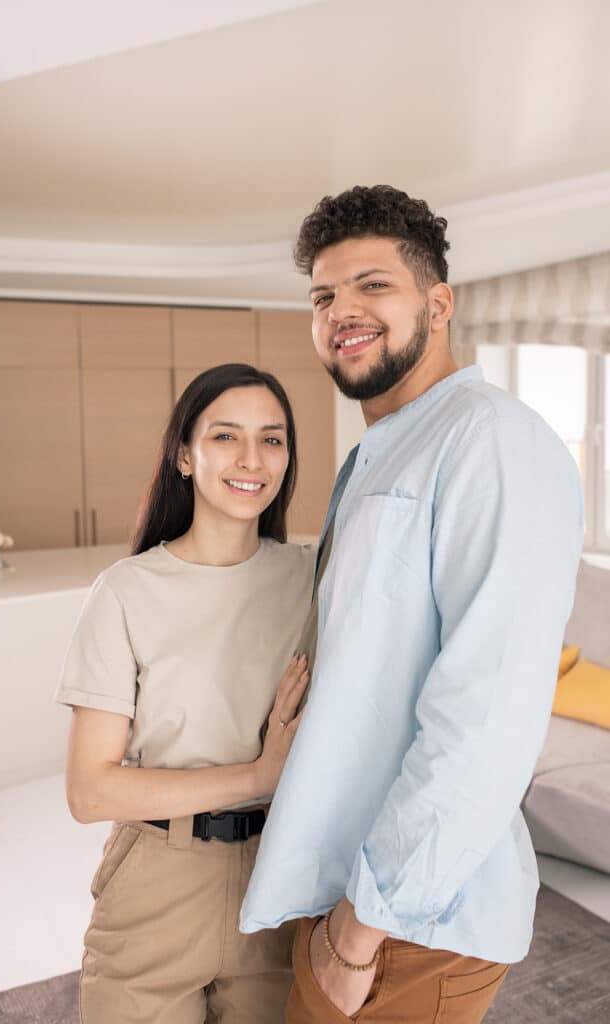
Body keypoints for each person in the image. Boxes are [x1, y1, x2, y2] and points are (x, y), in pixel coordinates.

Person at [240, 186, 584, 1024]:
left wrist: (361, 931)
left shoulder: (492, 441)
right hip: (350, 894)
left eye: (371, 285)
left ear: (439, 303)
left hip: (408, 922)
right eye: (323, 296)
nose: (341, 311)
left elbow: (487, 719)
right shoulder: (383, 452)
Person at [55, 362, 315, 1024]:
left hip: (280, 880)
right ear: (183, 454)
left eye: (273, 438)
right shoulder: (125, 592)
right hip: (154, 888)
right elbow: (91, 791)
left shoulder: (315, 580)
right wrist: (258, 774)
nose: (252, 458)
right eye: (226, 436)